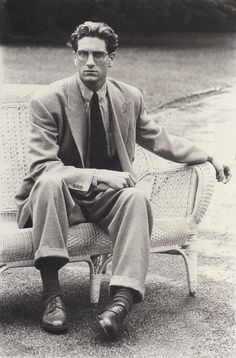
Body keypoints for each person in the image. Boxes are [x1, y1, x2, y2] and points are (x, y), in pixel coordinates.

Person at [15, 21, 231, 339]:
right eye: (83, 54)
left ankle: (120, 303)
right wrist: (100, 175)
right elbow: (42, 167)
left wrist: (208, 156)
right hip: (62, 199)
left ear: (111, 58)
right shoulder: (48, 101)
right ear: (74, 56)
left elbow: (161, 139)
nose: (90, 62)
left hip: (107, 200)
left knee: (137, 197)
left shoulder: (128, 97)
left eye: (98, 55)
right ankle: (52, 295)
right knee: (48, 183)